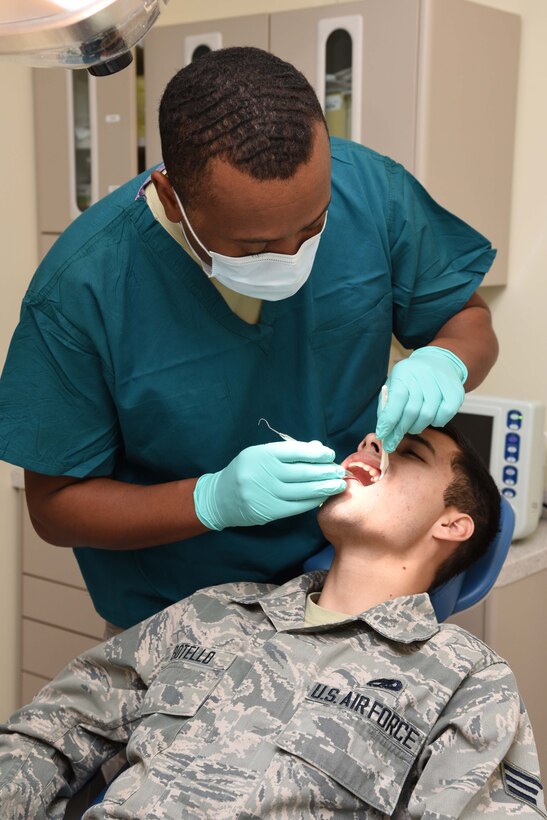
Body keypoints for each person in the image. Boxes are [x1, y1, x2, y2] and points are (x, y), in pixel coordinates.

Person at [0, 47, 499, 632]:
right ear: (169, 196)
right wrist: (211, 501)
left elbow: (468, 319)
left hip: (330, 586)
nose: (293, 258)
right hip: (177, 622)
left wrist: (447, 359)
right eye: (255, 246)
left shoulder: (373, 193)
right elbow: (56, 509)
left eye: (314, 226)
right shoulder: (81, 288)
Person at [0, 424, 542, 818]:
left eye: (411, 452)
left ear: (453, 523)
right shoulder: (214, 611)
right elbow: (46, 734)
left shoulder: (467, 679)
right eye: (376, 438)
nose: (374, 446)